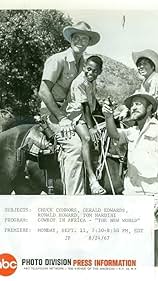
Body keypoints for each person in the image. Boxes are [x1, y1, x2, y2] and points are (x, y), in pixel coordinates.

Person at [102, 90, 158, 266]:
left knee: (154, 252)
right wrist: (108, 117)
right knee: (135, 249)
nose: (133, 107)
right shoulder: (132, 132)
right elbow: (114, 135)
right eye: (132, 105)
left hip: (153, 198)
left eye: (138, 103)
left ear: (150, 107)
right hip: (131, 195)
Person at [38, 21, 100, 195]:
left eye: (85, 38)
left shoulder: (85, 65)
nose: (80, 41)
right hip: (52, 111)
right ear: (71, 39)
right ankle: (74, 201)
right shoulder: (57, 60)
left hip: (72, 112)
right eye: (77, 37)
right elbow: (43, 91)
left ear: (88, 42)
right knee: (74, 147)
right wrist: (61, 118)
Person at [66, 55, 106, 194]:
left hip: (88, 113)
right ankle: (92, 178)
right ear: (84, 68)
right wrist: (91, 127)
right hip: (76, 115)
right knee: (87, 138)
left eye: (95, 71)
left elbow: (92, 101)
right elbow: (84, 107)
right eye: (88, 69)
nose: (91, 73)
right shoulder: (79, 82)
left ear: (99, 72)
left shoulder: (92, 81)